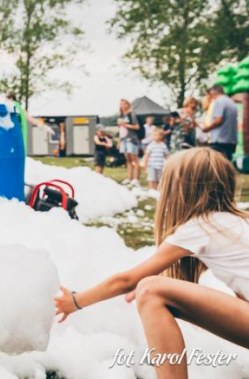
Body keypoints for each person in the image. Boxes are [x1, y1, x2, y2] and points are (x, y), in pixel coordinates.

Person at [55, 148, 249, 379]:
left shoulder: (201, 227)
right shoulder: (236, 223)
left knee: (151, 289)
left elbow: (127, 280)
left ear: (181, 191)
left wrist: (75, 301)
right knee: (152, 289)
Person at [201, 85, 238, 162]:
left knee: (218, 163)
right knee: (227, 162)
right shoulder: (231, 102)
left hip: (219, 139)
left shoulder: (219, 102)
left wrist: (207, 129)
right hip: (231, 139)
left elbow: (218, 120)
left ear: (212, 93)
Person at [117, 99, 141, 185]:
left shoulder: (132, 114)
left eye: (124, 104)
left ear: (128, 105)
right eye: (121, 104)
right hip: (123, 139)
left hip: (131, 138)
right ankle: (129, 178)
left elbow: (137, 127)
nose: (123, 106)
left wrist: (126, 125)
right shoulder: (120, 115)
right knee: (128, 160)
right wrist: (119, 141)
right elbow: (121, 129)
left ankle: (136, 179)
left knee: (135, 159)